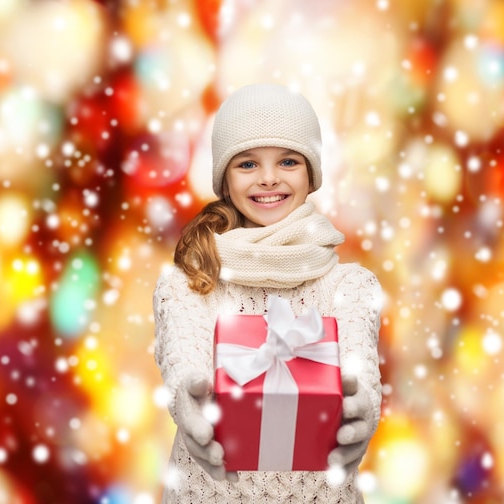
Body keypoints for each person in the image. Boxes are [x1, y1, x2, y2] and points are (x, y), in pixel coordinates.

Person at [153, 83, 383, 503]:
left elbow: (359, 368)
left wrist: (363, 408)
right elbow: (182, 355)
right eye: (247, 164)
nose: (269, 178)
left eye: (288, 160)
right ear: (224, 177)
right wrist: (186, 394)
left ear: (311, 174)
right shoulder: (188, 282)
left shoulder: (350, 287)